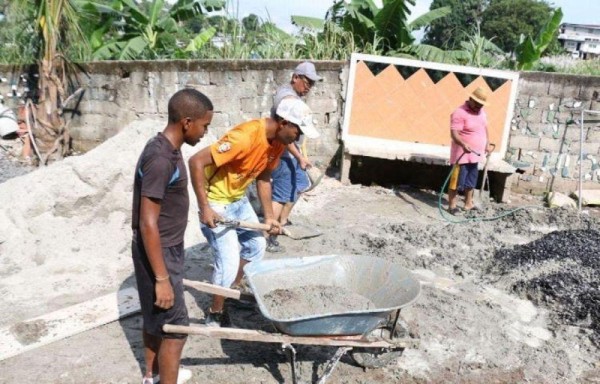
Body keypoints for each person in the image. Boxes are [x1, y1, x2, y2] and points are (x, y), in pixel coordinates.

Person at [189, 97, 318, 327]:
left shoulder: (277, 142)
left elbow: (264, 177)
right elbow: (196, 161)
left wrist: (269, 217)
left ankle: (230, 290)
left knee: (256, 247)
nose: (298, 138)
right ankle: (215, 311)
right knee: (227, 264)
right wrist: (205, 208)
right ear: (284, 122)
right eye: (298, 131)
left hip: (238, 199)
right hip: (216, 202)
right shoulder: (245, 137)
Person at [132, 88, 214, 384]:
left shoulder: (166, 148)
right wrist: (162, 279)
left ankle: (152, 376)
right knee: (177, 327)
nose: (206, 132)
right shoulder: (161, 159)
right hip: (160, 251)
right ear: (187, 122)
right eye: (205, 125)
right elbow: (147, 223)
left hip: (165, 248)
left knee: (157, 319)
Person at [267, 61, 322, 252]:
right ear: (295, 77)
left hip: (290, 155)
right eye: (306, 82)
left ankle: (282, 220)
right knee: (280, 196)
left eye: (312, 84)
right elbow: (285, 135)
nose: (308, 87)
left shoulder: (292, 96)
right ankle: (269, 237)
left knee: (300, 184)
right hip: (282, 154)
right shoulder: (287, 99)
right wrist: (299, 157)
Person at [447, 87, 492, 215]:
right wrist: (463, 144)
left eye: (481, 104)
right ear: (471, 99)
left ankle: (468, 204)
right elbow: (454, 134)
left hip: (475, 155)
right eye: (477, 103)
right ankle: (452, 206)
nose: (479, 106)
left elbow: (484, 128)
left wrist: (487, 143)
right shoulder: (459, 113)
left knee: (471, 181)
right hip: (461, 155)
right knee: (455, 182)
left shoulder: (482, 112)